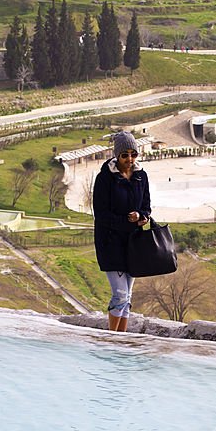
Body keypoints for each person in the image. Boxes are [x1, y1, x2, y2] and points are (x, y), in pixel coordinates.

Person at [93, 130, 150, 332]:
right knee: (120, 294)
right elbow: (101, 214)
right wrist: (128, 222)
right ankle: (111, 336)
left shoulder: (141, 176)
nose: (129, 159)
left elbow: (147, 207)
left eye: (133, 154)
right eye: (124, 155)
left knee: (128, 295)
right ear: (116, 155)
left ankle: (121, 336)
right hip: (110, 243)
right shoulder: (105, 179)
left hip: (132, 244)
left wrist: (141, 216)